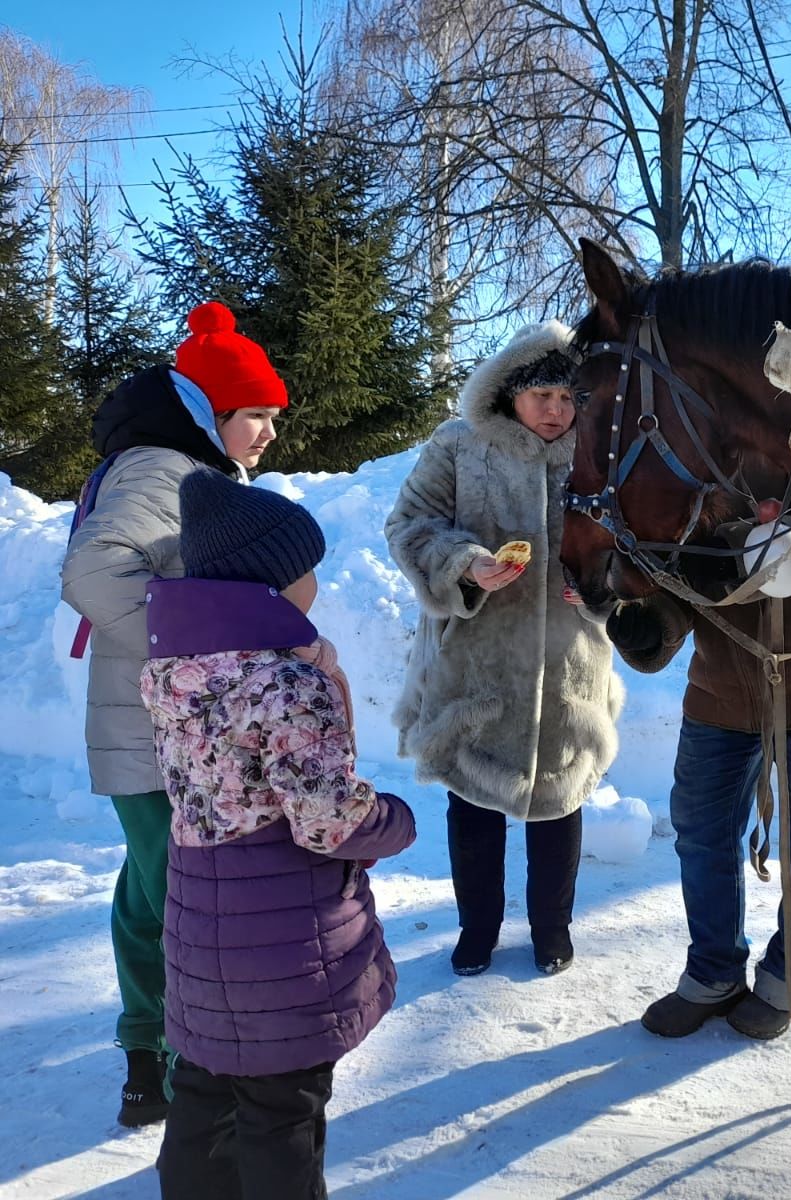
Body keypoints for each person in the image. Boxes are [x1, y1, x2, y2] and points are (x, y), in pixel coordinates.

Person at [141, 470, 415, 1200]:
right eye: (306, 569)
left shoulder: (175, 670)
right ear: (269, 585)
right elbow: (330, 821)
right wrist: (396, 819)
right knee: (280, 1113)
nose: (316, 583)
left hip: (200, 929)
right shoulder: (289, 686)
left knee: (203, 1094)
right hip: (282, 943)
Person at [60, 300, 288, 1126]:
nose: (269, 432)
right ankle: (181, 1070)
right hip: (157, 727)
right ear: (210, 411)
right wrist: (197, 650)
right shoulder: (163, 471)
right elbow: (92, 575)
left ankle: (149, 1053)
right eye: (256, 415)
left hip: (160, 726)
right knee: (181, 902)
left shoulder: (181, 467)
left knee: (151, 893)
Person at [386, 321, 622, 976]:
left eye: (567, 397)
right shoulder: (460, 447)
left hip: (567, 662)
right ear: (510, 393)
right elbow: (409, 524)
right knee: (473, 805)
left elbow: (637, 537)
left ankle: (553, 930)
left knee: (560, 800)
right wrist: (464, 564)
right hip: (475, 659)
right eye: (541, 395)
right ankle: (477, 930)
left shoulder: (598, 448)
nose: (555, 410)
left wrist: (606, 589)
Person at [606, 580, 791, 1040]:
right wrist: (652, 624)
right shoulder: (699, 500)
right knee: (699, 827)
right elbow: (686, 567)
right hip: (724, 679)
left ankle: (789, 979)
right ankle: (714, 974)